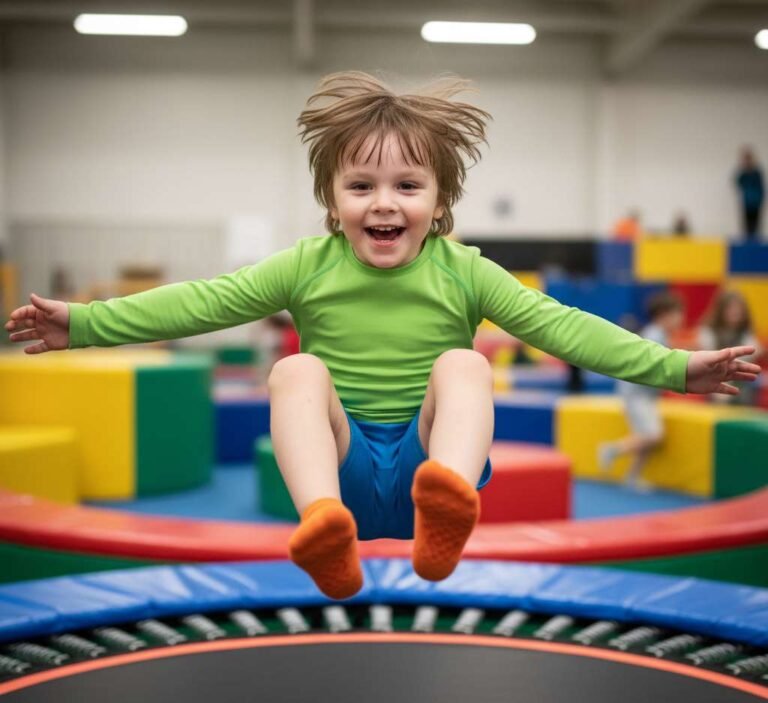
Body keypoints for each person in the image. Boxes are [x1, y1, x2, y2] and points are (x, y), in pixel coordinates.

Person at [4, 72, 760, 600]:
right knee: (295, 375)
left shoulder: (468, 270)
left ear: (440, 199)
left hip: (436, 461)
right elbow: (207, 301)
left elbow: (561, 326)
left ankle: (449, 504)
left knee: (464, 363)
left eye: (407, 186)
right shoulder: (307, 264)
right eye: (360, 187)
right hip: (344, 464)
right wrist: (86, 323)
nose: (383, 204)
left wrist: (673, 368)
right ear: (332, 200)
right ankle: (324, 525)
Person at [597, 292, 686, 491]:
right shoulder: (655, 335)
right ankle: (612, 449)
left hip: (642, 394)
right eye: (678, 314)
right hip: (636, 394)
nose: (681, 319)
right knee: (653, 435)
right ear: (664, 315)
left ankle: (632, 476)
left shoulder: (659, 334)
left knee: (645, 436)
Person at [699, 290, 763, 406]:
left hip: (741, 391)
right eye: (731, 309)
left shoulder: (747, 335)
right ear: (721, 310)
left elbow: (751, 355)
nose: (735, 312)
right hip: (713, 386)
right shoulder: (709, 333)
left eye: (738, 310)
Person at [734, 147, 764, 241]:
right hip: (747, 202)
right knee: (747, 225)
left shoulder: (756, 172)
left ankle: (754, 241)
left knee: (755, 224)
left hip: (756, 202)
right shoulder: (743, 173)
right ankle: (748, 241)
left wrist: (761, 199)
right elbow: (737, 182)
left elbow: (761, 186)